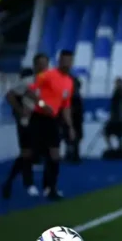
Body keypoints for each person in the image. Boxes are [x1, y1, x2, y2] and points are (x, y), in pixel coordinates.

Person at [27, 50, 77, 200]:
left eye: (69, 61)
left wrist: (70, 126)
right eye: (64, 60)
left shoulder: (69, 82)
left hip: (53, 120)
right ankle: (27, 183)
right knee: (30, 153)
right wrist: (42, 104)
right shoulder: (47, 75)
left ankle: (51, 188)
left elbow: (66, 106)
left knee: (55, 154)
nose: (66, 63)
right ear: (59, 61)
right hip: (38, 117)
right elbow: (30, 92)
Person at [2, 53, 49, 199]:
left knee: (31, 153)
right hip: (26, 121)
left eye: (45, 64)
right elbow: (9, 95)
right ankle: (27, 183)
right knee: (27, 153)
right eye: (40, 64)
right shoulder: (27, 82)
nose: (43, 67)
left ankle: (12, 182)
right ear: (35, 66)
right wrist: (20, 110)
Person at [104, 78, 122, 156]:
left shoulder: (121, 92)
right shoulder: (120, 92)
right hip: (116, 118)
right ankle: (116, 148)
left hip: (118, 118)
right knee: (110, 133)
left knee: (117, 134)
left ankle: (118, 148)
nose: (117, 84)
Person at [64, 76, 84, 163]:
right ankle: (73, 155)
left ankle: (72, 154)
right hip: (74, 118)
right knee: (72, 136)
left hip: (75, 118)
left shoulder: (75, 95)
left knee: (73, 137)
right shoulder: (74, 96)